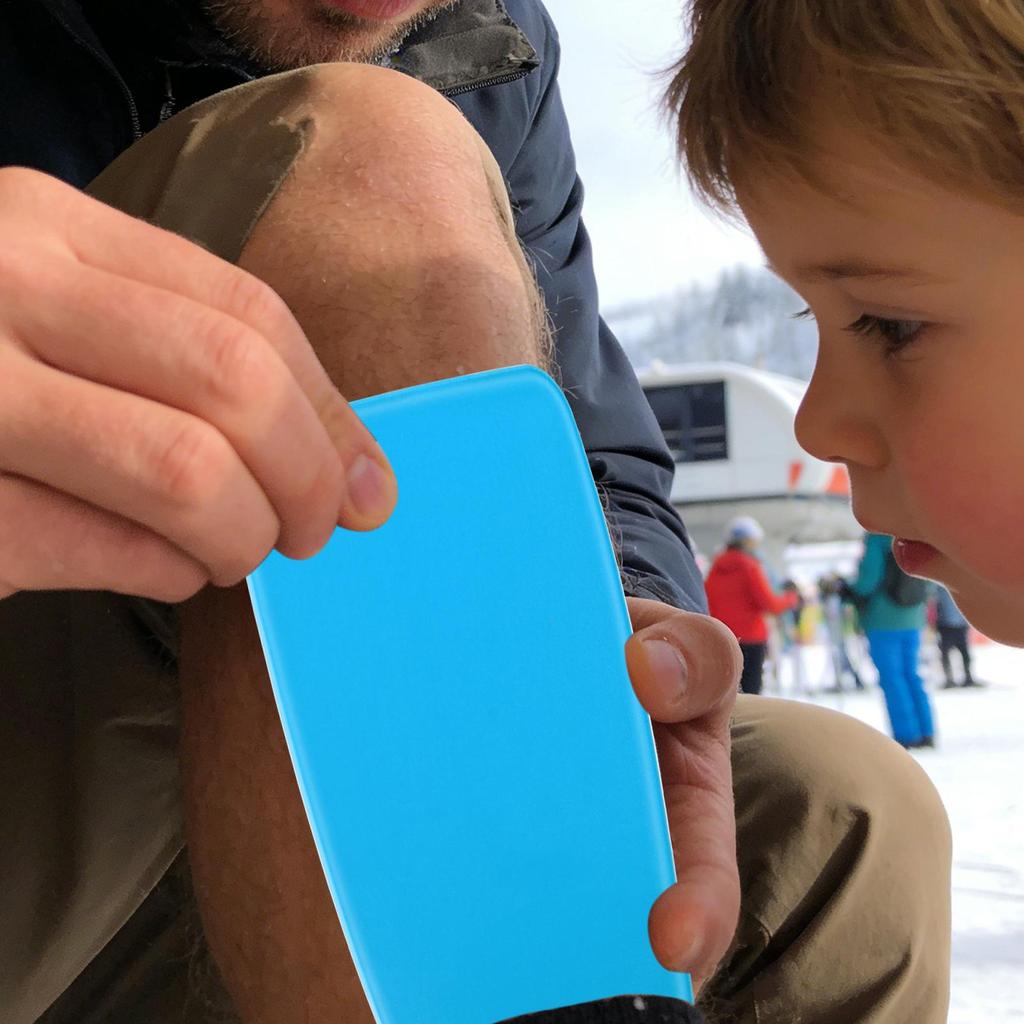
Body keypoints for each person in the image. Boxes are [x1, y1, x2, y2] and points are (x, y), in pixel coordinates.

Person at [0, 2, 953, 1023]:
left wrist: (630, 641)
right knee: (369, 161)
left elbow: (594, 446)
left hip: (242, 839)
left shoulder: (494, 43)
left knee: (841, 817)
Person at [843, 534, 935, 748]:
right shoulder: (908, 529)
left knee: (892, 678)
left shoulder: (877, 539)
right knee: (912, 674)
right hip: (913, 615)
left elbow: (868, 581)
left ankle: (906, 734)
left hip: (883, 618)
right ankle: (926, 730)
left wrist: (849, 590)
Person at [704, 517, 798, 695]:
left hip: (723, 638)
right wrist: (791, 598)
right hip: (752, 639)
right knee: (752, 693)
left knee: (729, 694)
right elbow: (770, 604)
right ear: (748, 541)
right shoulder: (750, 567)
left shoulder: (714, 569)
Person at [819, 574, 866, 692]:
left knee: (843, 659)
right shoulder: (833, 600)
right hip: (836, 635)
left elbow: (834, 617)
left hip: (838, 636)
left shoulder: (834, 600)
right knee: (841, 660)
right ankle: (844, 681)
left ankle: (855, 681)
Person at [933, 585, 983, 689]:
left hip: (955, 623)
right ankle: (952, 679)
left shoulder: (941, 585)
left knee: (960, 652)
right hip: (948, 624)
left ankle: (964, 678)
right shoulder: (941, 585)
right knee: (950, 653)